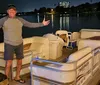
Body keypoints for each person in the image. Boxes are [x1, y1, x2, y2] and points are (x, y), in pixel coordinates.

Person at [0, 4, 50, 83]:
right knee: (8, 63)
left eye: (13, 10)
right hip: (9, 45)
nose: (12, 12)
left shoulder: (20, 20)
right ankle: (5, 81)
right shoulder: (3, 20)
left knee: (20, 61)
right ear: (7, 11)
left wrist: (42, 24)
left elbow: (30, 24)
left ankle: (17, 77)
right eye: (10, 10)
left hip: (19, 44)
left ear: (16, 12)